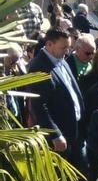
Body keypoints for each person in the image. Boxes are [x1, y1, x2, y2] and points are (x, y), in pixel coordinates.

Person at [28, 28, 85, 169]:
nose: (67, 51)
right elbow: (38, 105)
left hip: (75, 130)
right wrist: (55, 134)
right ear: (49, 44)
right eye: (63, 47)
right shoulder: (39, 67)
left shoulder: (61, 59)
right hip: (60, 136)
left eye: (68, 47)